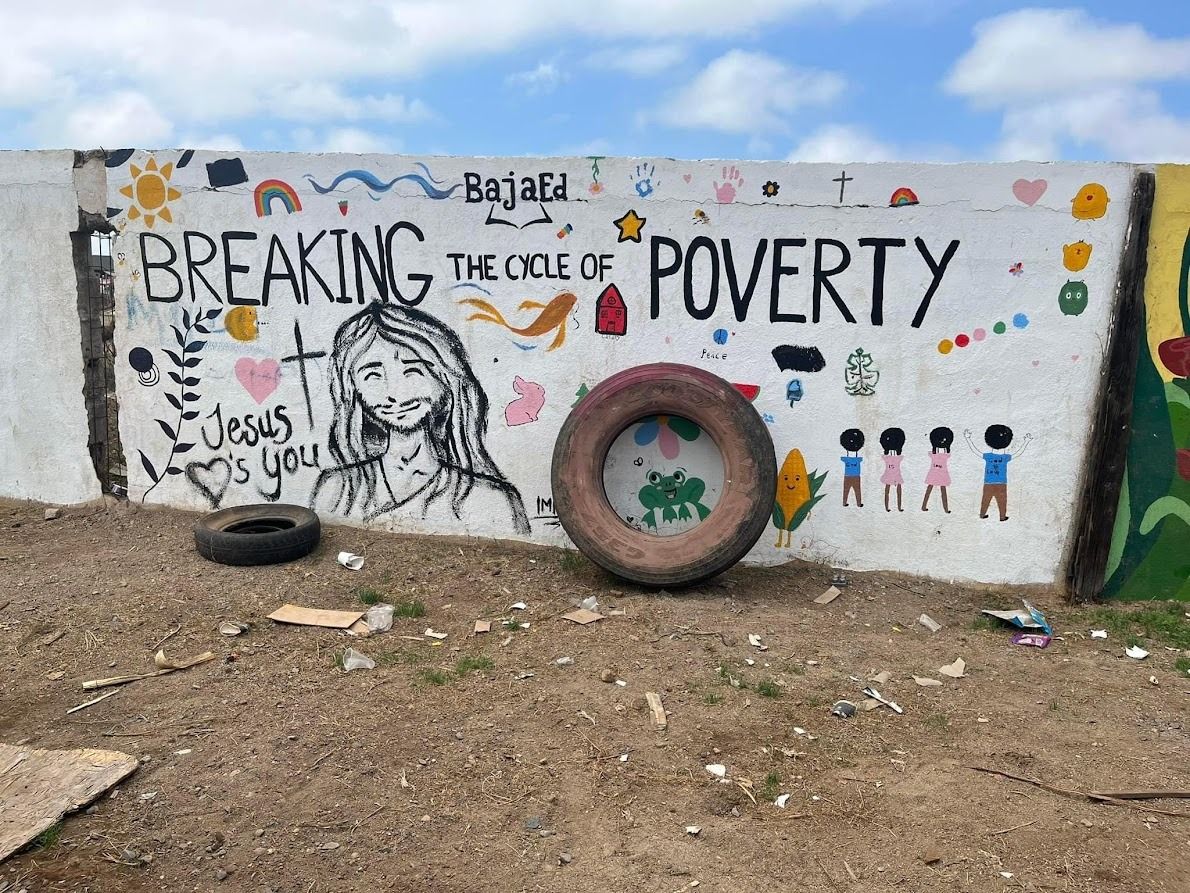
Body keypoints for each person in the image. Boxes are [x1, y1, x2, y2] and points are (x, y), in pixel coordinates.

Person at [310, 301, 530, 533]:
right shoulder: (337, 489)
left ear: (443, 378)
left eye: (413, 370)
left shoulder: (491, 499)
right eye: (373, 375)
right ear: (352, 388)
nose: (395, 393)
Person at [965, 425, 1032, 521]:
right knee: (1002, 501)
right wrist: (1026, 442)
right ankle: (1002, 517)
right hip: (1001, 483)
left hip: (988, 483)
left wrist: (968, 439)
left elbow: (975, 451)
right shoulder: (1005, 457)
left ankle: (982, 514)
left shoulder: (988, 456)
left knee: (985, 499)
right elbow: (1018, 453)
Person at [921, 427, 953, 513]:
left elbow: (933, 452)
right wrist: (946, 446)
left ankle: (924, 506)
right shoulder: (945, 456)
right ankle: (945, 509)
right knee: (941, 491)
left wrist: (935, 447)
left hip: (934, 474)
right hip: (941, 474)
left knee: (932, 490)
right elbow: (947, 452)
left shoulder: (933, 455)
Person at [879, 427, 906, 512]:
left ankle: (889, 507)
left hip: (890, 475)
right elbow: (899, 456)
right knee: (897, 492)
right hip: (896, 476)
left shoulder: (887, 458)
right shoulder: (898, 458)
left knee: (889, 491)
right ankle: (897, 507)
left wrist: (886, 451)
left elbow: (885, 456)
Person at [839, 428, 865, 507]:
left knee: (846, 490)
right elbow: (861, 459)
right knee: (857, 490)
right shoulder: (858, 460)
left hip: (847, 477)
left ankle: (844, 502)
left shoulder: (846, 459)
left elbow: (842, 458)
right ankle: (859, 503)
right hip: (856, 477)